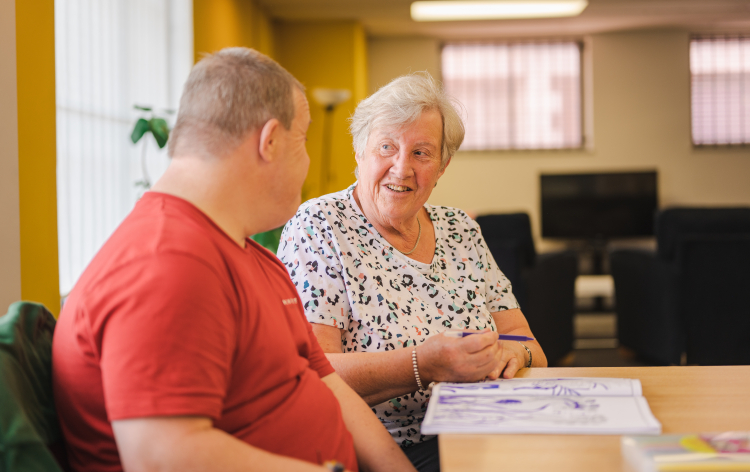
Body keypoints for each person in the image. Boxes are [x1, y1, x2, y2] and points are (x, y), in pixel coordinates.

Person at [52, 48, 416, 472]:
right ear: (271, 141)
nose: (307, 162)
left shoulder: (251, 257)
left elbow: (326, 383)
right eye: (302, 141)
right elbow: (161, 458)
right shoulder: (166, 264)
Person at [277, 73, 548, 472]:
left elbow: (531, 347)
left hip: (484, 430)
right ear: (359, 153)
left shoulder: (460, 230)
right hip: (380, 449)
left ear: (442, 166)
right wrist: (424, 364)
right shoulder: (320, 225)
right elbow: (313, 372)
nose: (401, 168)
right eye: (386, 147)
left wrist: (511, 353)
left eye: (422, 153)